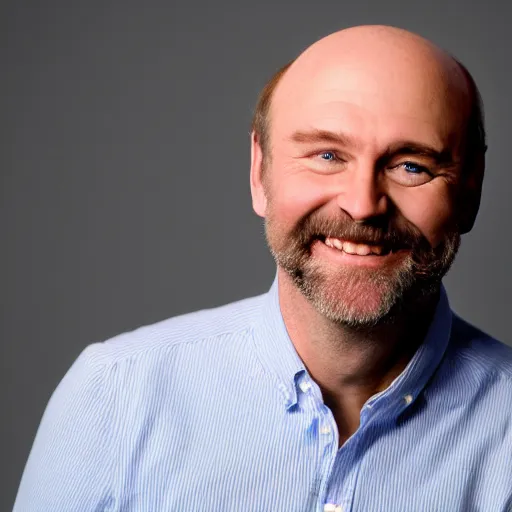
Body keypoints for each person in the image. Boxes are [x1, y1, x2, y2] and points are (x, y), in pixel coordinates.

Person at [14, 25, 512, 512]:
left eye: (411, 166)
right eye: (326, 155)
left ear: (471, 189)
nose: (362, 206)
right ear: (260, 171)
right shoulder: (114, 398)